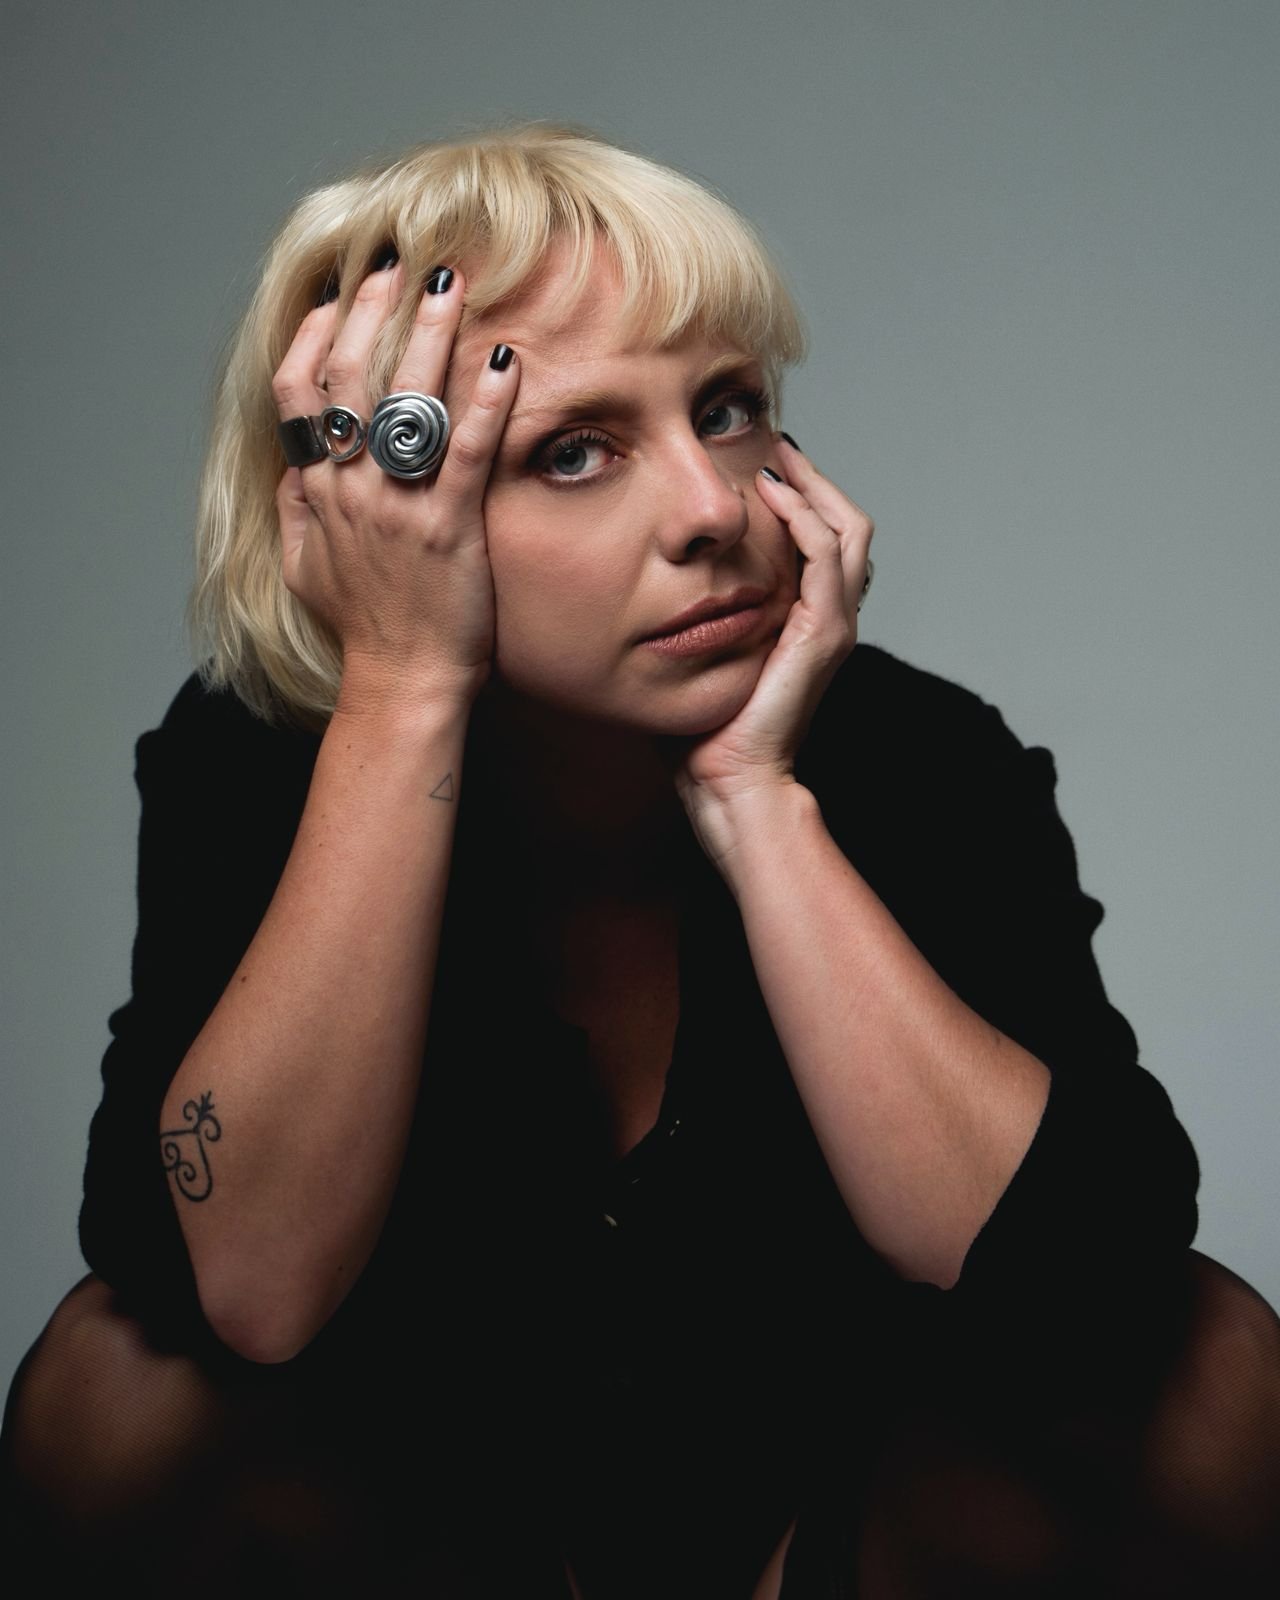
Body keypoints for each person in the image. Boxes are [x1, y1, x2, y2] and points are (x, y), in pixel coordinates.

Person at [3, 121, 1278, 1599]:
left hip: (838, 1556)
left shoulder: (920, 757)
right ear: (375, 508)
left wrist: (756, 800)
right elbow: (244, 1285)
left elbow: (1092, 1279)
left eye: (727, 410)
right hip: (456, 1555)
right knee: (113, 1402)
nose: (714, 511)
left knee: (1216, 1386)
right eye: (573, 451)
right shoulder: (262, 760)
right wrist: (401, 690)